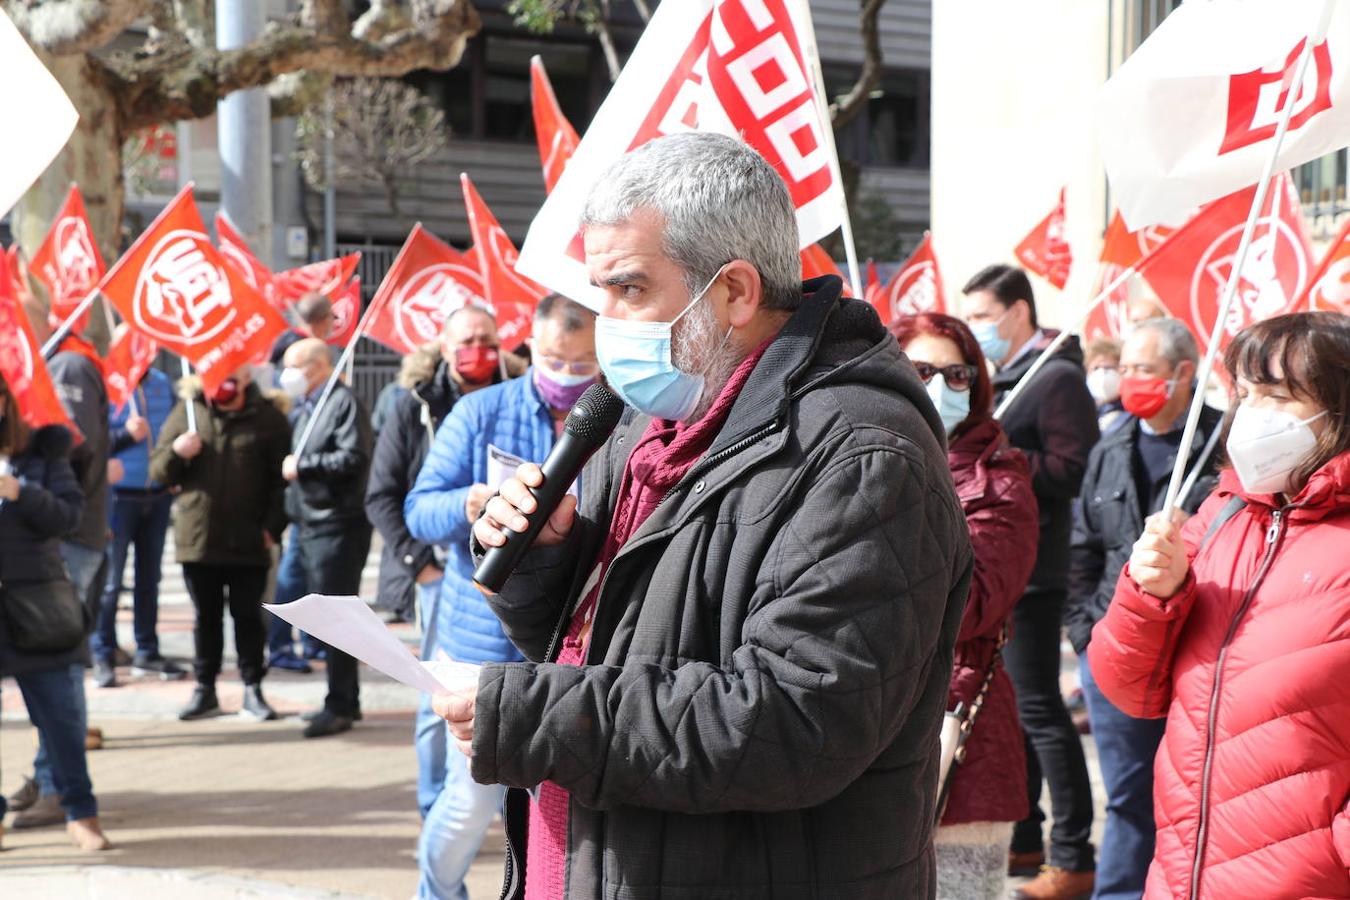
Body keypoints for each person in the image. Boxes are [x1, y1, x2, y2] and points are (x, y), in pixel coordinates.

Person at [439, 132, 972, 898]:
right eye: (601, 293)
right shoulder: (648, 423)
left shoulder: (862, 455)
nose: (607, 323)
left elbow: (795, 723)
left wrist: (530, 716)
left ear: (734, 292)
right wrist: (545, 564)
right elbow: (610, 648)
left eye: (629, 289)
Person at [1090, 311, 1350, 899]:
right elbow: (1130, 688)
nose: (1253, 412)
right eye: (1248, 393)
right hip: (1186, 872)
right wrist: (1149, 597)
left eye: (1279, 396)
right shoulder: (1223, 515)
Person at [405, 295, 597, 900]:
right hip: (481, 643)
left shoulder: (617, 417)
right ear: (530, 347)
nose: (567, 375)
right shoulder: (480, 411)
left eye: (582, 363)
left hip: (572, 650)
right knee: (467, 802)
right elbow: (417, 509)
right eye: (554, 359)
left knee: (556, 809)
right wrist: (466, 503)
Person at [1066, 319, 1222, 900]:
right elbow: (1083, 546)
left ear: (1184, 373)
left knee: (1192, 794)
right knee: (1128, 795)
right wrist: (1084, 631)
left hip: (1196, 649)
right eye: (1124, 367)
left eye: (1143, 369)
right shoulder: (1111, 445)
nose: (1128, 380)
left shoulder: (1224, 445)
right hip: (1115, 648)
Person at [962, 263, 1099, 898]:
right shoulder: (1004, 380)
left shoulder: (1057, 378)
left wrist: (1004, 463)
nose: (978, 330)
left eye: (986, 317)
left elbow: (1074, 467)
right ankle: (1025, 836)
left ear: (1019, 312)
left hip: (1039, 570)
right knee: (1010, 709)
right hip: (998, 562)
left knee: (1041, 708)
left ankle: (1072, 853)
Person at [893, 313, 1039, 900]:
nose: (938, 387)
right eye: (921, 370)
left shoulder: (1000, 479)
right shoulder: (840, 456)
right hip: (857, 734)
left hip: (958, 737)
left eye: (956, 375)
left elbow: (972, 605)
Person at [0, 374, 111, 851]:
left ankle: (80, 813)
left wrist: (20, 492)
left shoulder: (44, 452)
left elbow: (69, 516)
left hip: (37, 605)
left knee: (61, 717)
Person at [367, 306, 526, 626]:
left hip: (514, 572)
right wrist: (423, 569)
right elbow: (382, 495)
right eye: (468, 340)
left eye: (487, 341)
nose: (478, 349)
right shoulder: (413, 406)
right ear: (445, 348)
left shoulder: (524, 401)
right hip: (438, 572)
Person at [150, 364, 291, 722]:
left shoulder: (268, 418)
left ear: (247, 376)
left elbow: (282, 482)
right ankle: (205, 688)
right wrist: (178, 452)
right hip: (199, 539)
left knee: (248, 618)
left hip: (249, 540)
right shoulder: (188, 411)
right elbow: (159, 471)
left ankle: (252, 687)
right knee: (206, 618)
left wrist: (272, 528)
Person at [279, 338, 373, 738]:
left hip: (337, 524)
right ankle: (342, 699)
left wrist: (306, 466)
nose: (287, 375)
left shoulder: (343, 402)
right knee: (322, 615)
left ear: (318, 366)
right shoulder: (309, 405)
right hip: (309, 522)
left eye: (294, 366)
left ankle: (340, 703)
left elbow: (353, 458)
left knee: (336, 616)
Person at [92, 362, 184, 688]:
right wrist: (125, 436)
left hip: (156, 496)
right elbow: (91, 439)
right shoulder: (108, 382)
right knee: (110, 584)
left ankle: (147, 649)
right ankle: (102, 652)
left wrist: (174, 470)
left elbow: (174, 428)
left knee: (149, 579)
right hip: (118, 498)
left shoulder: (162, 382)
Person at [270, 291, 336, 369]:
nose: (333, 322)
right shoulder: (305, 351)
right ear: (325, 320)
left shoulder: (288, 337)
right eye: (332, 316)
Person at [1085, 337, 1127, 437]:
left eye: (1109, 368)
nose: (1102, 373)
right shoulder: (1084, 410)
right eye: (1096, 368)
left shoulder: (1130, 413)